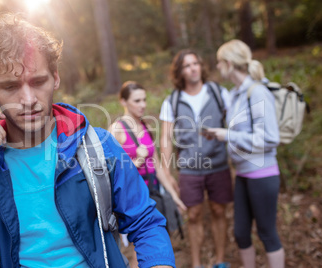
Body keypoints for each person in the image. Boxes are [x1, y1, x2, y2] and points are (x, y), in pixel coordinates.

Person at [0, 14, 175, 268]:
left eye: (38, 82)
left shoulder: (98, 147)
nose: (28, 99)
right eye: (10, 86)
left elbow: (146, 225)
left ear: (55, 77)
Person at [205, 39, 285, 268]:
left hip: (263, 174)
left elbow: (270, 138)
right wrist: (220, 133)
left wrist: (227, 135)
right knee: (240, 233)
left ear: (229, 63)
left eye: (219, 62)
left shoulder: (257, 92)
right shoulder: (237, 94)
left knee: (267, 233)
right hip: (242, 174)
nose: (217, 67)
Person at [159, 50, 233, 268]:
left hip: (218, 164)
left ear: (201, 66)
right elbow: (166, 138)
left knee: (219, 211)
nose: (192, 68)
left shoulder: (218, 93)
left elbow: (236, 129)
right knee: (193, 215)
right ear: (180, 72)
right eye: (186, 66)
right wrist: (167, 171)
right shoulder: (172, 101)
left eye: (195, 63)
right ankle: (197, 264)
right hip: (189, 169)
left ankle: (220, 261)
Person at [109, 81, 186, 212]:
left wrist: (173, 196)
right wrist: (138, 160)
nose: (143, 105)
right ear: (123, 102)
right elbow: (112, 172)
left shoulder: (146, 127)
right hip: (132, 200)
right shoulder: (117, 129)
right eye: (137, 101)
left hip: (154, 194)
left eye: (144, 100)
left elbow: (157, 165)